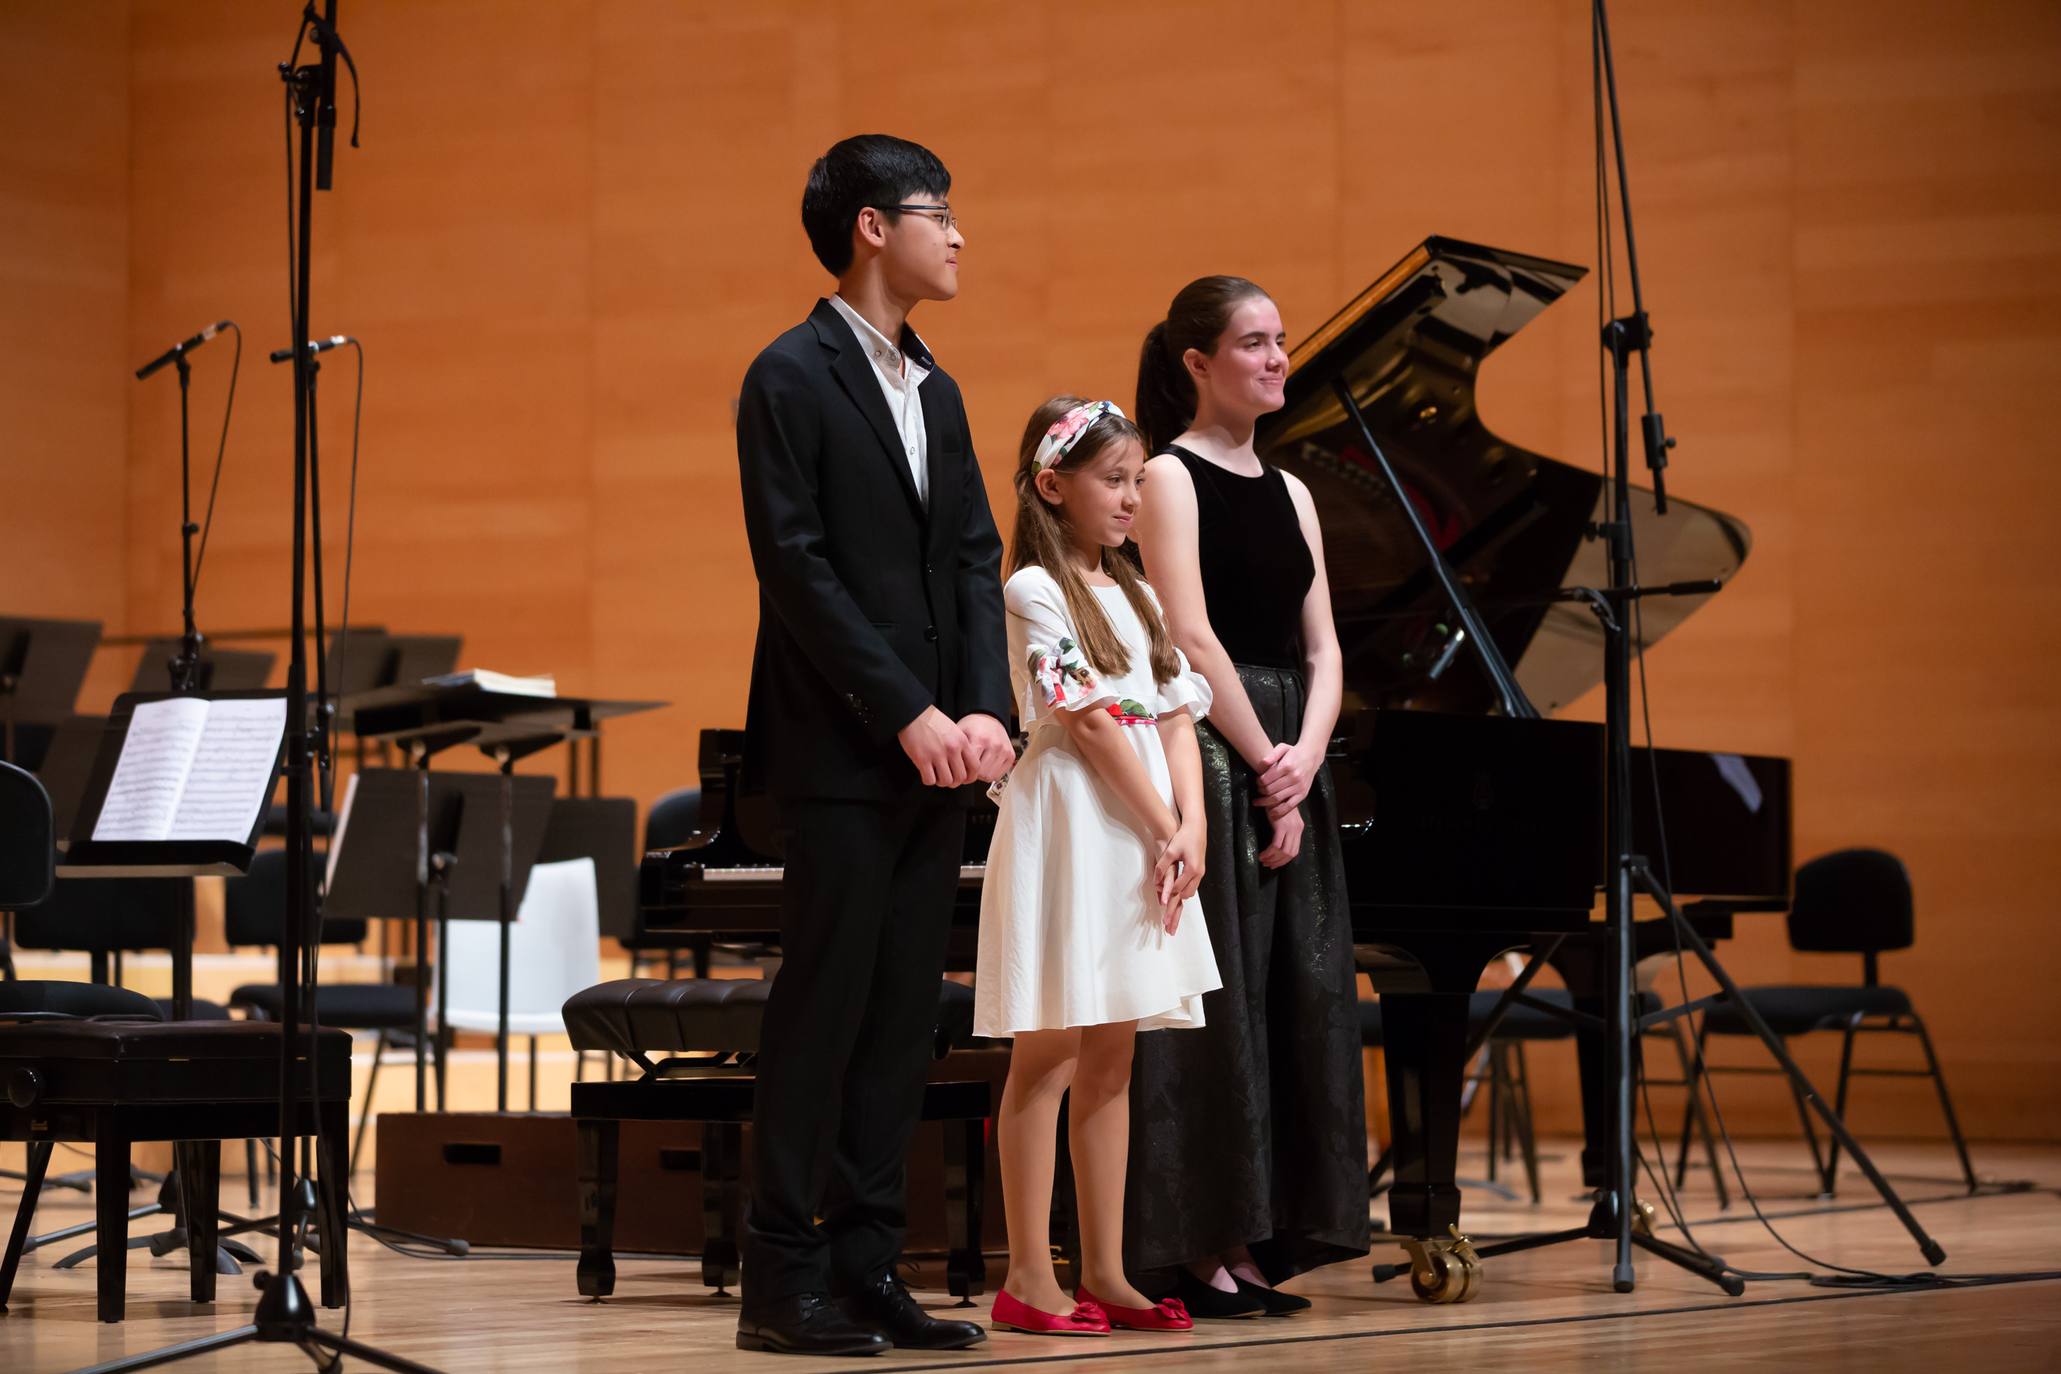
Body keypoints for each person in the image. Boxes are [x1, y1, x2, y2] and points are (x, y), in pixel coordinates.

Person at [732, 133, 1013, 1357]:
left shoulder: (937, 390)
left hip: (945, 754)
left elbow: (973, 558)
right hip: (847, 754)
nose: (956, 235)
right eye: (935, 213)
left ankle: (867, 1267)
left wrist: (988, 709)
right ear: (869, 228)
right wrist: (910, 712)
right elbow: (798, 574)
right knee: (823, 1014)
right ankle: (777, 1283)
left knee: (905, 1019)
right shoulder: (787, 376)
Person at [1124, 276, 1370, 1317]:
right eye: (1253, 342)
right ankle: (1196, 1243)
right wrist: (1267, 758)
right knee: (1216, 1004)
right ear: (1197, 362)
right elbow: (1189, 636)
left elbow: (1323, 644)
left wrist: (1306, 759)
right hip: (1214, 751)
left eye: (1280, 342)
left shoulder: (1296, 489)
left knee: (1297, 997)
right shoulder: (1169, 478)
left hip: (1284, 759)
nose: (1276, 359)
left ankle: (1264, 1232)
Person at [977, 397, 1218, 1338]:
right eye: (1113, 480)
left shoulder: (1141, 594)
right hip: (1076, 822)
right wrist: (1166, 825)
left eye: (1135, 479)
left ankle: (1106, 1269)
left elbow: (1170, 719)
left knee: (1114, 1055)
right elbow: (1088, 721)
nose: (1131, 497)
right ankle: (1029, 1276)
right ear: (1053, 487)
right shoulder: (1035, 588)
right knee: (1051, 1050)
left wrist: (1189, 826)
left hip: (1144, 828)